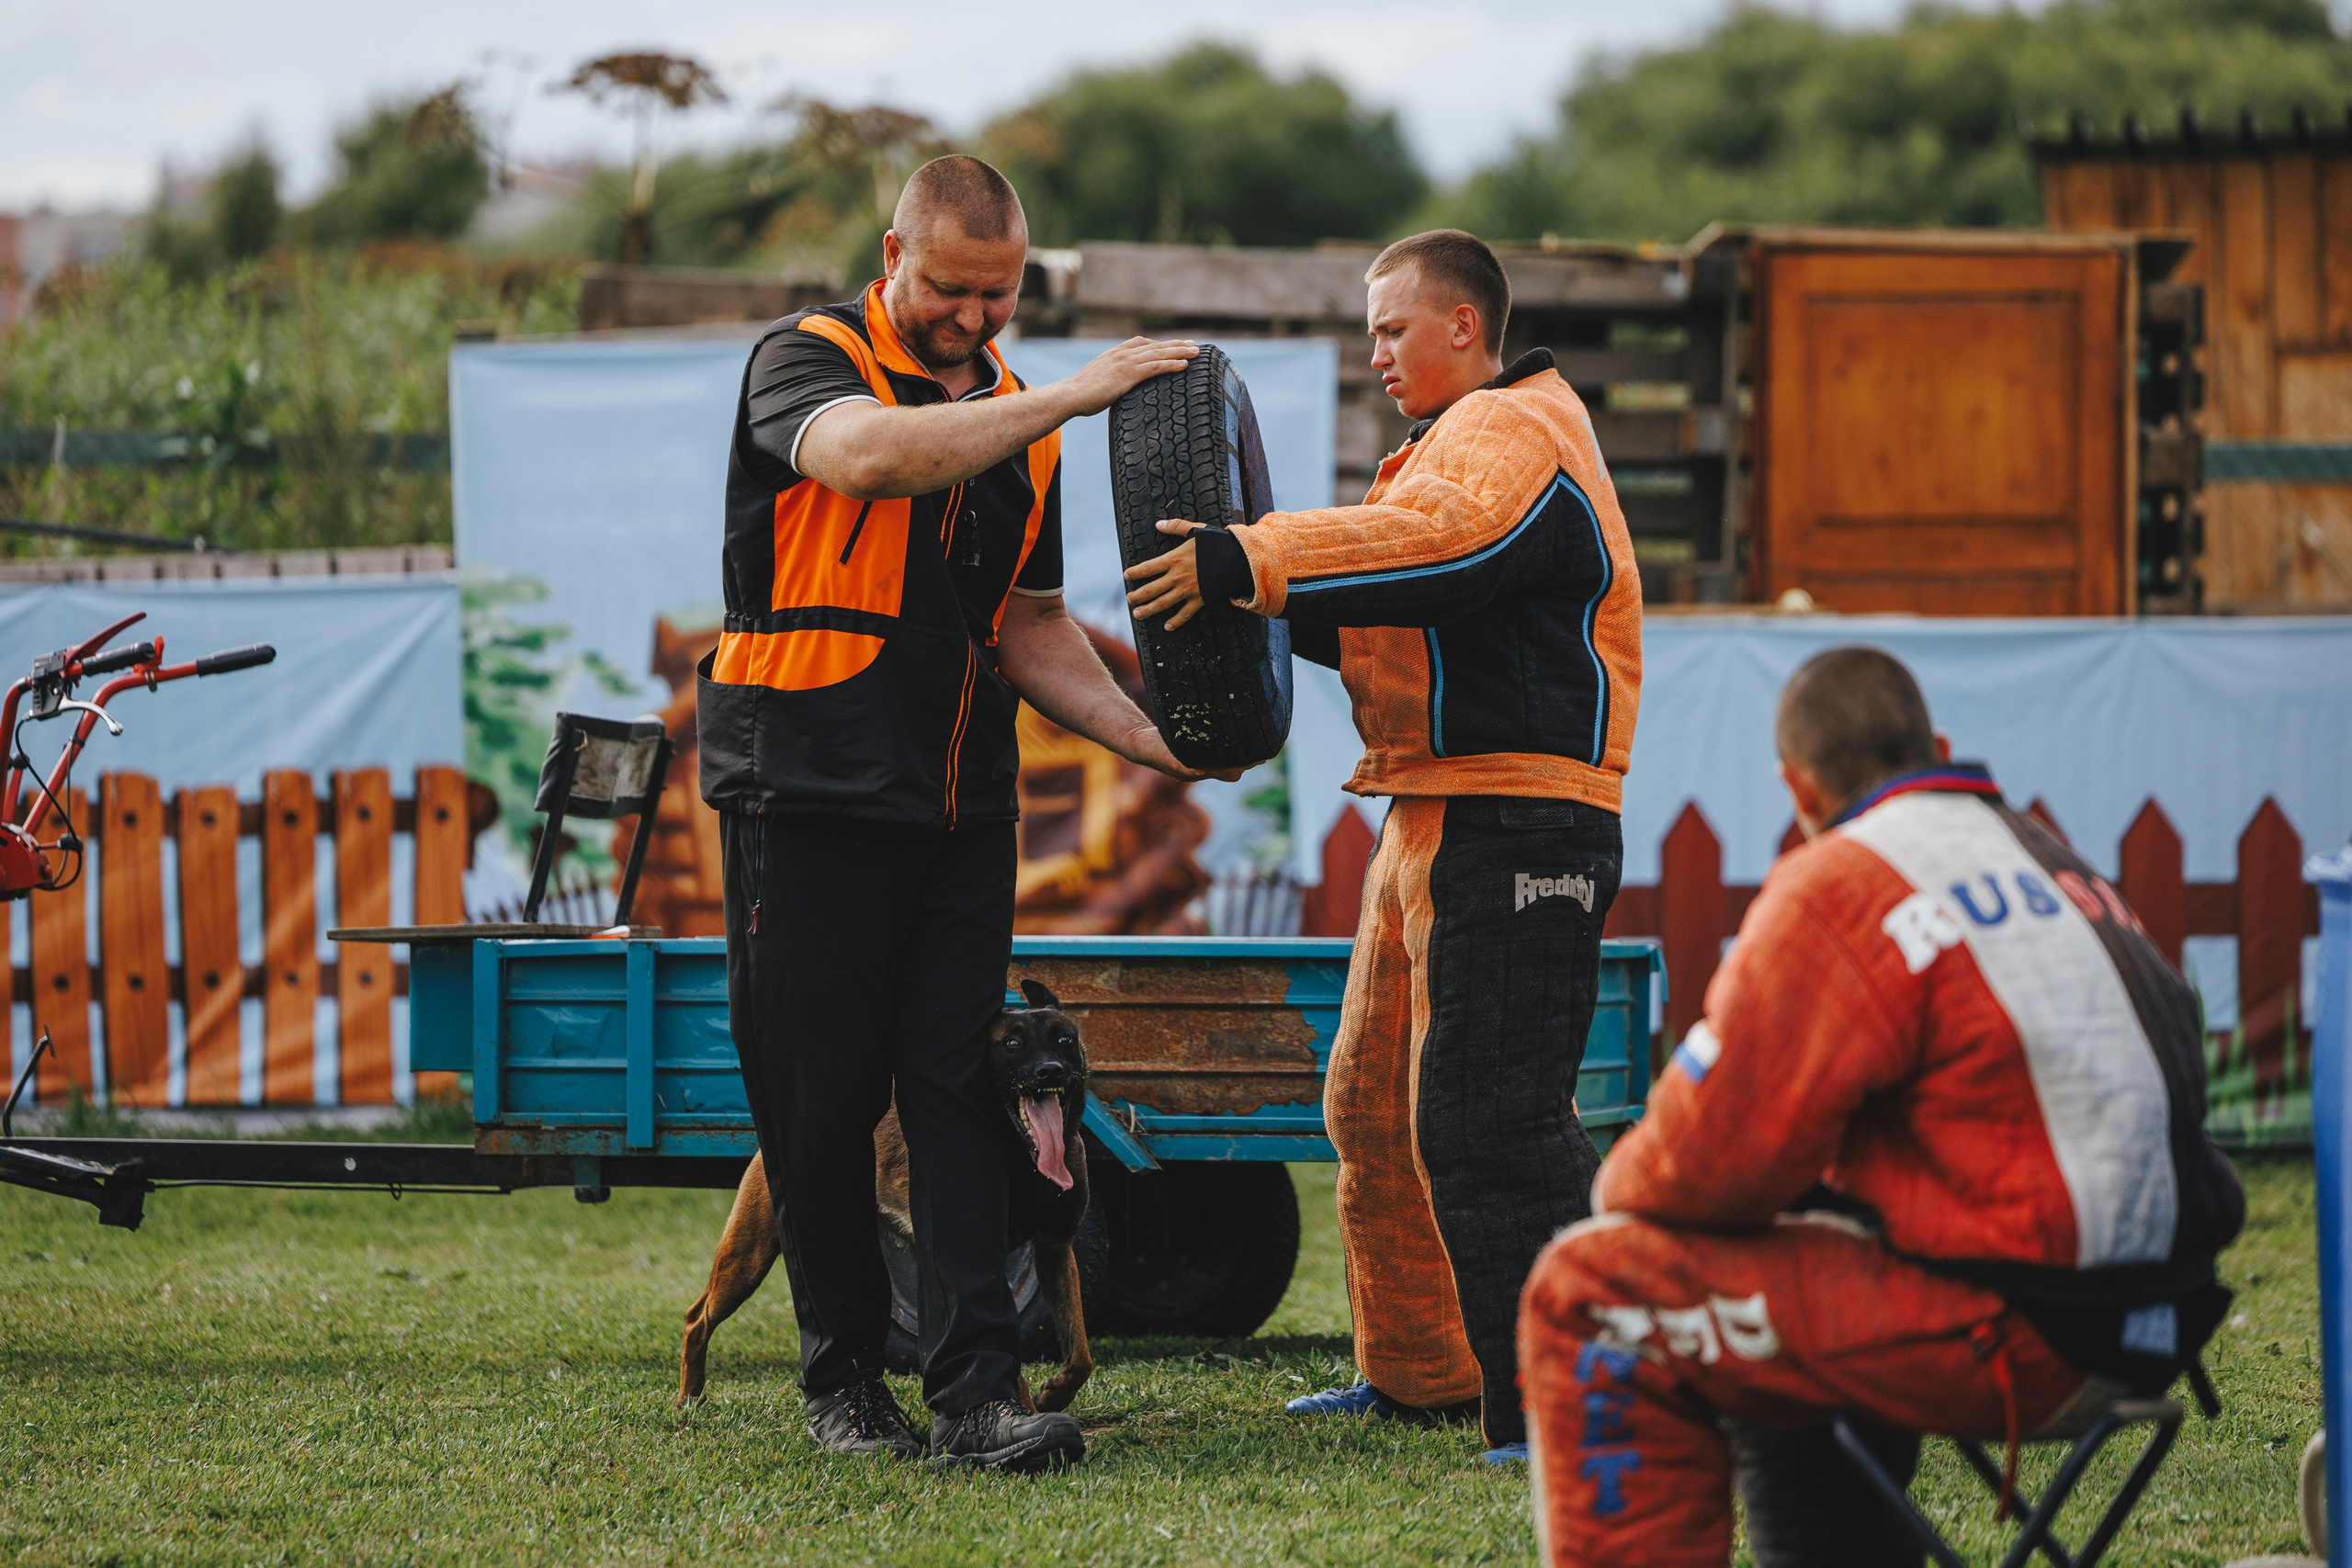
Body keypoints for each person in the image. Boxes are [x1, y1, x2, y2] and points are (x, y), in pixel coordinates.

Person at [1516, 647, 2247, 1566]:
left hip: (2031, 1336)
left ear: (1798, 790)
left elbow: (1690, 1169)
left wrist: (1626, 1186)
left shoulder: (1841, 886)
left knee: (1588, 1287)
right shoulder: (2059, 865)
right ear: (1935, 745)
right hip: (2166, 1319)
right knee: (1804, 1238)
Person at [697, 154, 1204, 1472]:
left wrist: (1158, 739)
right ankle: (846, 1383)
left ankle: (978, 1393)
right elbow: (867, 460)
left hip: (960, 805)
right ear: (892, 255)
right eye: (954, 289)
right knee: (819, 1100)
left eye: (1004, 292)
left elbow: (1030, 627)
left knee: (965, 1093)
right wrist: (1072, 399)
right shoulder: (802, 362)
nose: (980, 318)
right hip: (801, 790)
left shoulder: (1020, 427)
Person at [1123, 229, 1643, 1461]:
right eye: (1369, 331)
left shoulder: (1516, 430)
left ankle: (1580, 1403)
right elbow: (1395, 613)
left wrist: (1253, 556)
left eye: (1394, 328)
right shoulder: (1453, 449)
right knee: (1373, 1101)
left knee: (1494, 1118)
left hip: (1520, 812)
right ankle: (1419, 1370)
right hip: (1432, 806)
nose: (1376, 352)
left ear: (1466, 326)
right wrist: (1236, 606)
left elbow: (1450, 549)